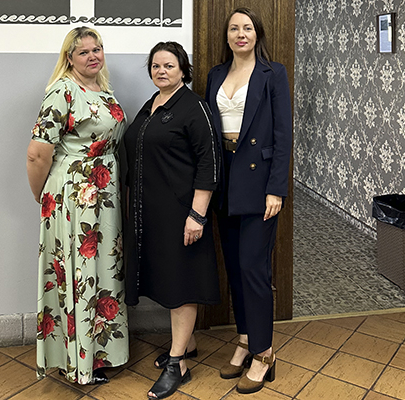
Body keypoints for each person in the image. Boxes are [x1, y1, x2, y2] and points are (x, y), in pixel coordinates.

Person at [26, 26, 128, 385]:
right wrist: (43, 196)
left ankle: (99, 353)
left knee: (101, 268)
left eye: (97, 49)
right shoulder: (62, 91)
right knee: (79, 270)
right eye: (83, 51)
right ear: (69, 58)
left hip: (103, 196)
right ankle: (78, 362)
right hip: (73, 196)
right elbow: (37, 153)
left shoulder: (102, 88)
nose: (92, 56)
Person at [123, 41, 220, 399]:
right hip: (153, 213)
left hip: (182, 213)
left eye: (169, 66)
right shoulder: (153, 104)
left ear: (183, 70)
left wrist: (197, 214)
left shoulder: (194, 107)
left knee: (181, 284)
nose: (161, 71)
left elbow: (209, 162)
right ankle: (187, 343)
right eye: (156, 66)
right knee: (167, 279)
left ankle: (178, 363)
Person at [204, 7, 292, 395]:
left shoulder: (274, 74)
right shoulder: (215, 75)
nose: (241, 34)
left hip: (259, 184)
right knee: (235, 269)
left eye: (248, 28)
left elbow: (283, 135)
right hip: (225, 180)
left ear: (258, 34)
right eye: (234, 28)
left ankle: (264, 353)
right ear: (227, 36)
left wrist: (277, 189)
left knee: (253, 268)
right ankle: (244, 339)